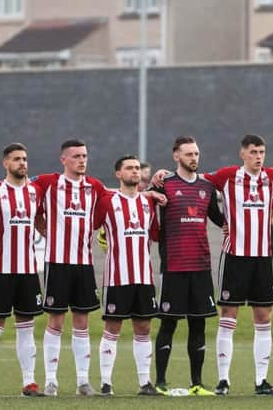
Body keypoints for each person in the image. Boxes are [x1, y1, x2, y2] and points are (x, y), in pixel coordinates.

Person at [202, 135, 273, 396]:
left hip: (261, 259)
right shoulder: (226, 176)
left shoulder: (272, 176)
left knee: (264, 317)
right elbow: (195, 181)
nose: (259, 156)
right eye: (254, 152)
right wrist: (163, 178)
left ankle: (261, 381)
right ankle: (223, 380)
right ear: (242, 154)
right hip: (234, 257)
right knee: (228, 317)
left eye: (262, 152)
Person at [30, 139, 108, 396]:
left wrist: (150, 189)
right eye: (76, 156)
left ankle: (83, 382)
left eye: (84, 155)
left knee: (82, 321)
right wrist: (43, 227)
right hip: (57, 262)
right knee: (55, 320)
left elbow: (121, 196)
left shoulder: (94, 186)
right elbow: (18, 189)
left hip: (84, 264)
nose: (82, 160)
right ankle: (51, 381)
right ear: (63, 159)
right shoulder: (47, 183)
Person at [153, 137, 224, 396]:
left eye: (196, 153)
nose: (194, 158)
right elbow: (144, 203)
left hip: (201, 266)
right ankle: (160, 382)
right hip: (174, 266)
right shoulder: (164, 184)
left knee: (198, 324)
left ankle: (197, 383)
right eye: (188, 154)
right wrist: (152, 181)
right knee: (169, 324)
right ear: (176, 156)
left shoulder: (207, 186)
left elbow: (220, 220)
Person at [0, 143, 44, 397]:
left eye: (25, 159)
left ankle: (30, 383)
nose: (22, 163)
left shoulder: (36, 191)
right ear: (6, 163)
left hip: (28, 271)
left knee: (27, 325)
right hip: (0, 270)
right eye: (17, 159)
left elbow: (41, 220)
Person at [93, 155, 159, 396]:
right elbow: (91, 226)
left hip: (144, 276)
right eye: (129, 168)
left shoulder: (148, 203)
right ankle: (106, 383)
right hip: (117, 277)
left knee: (143, 327)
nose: (135, 172)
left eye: (137, 168)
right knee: (113, 327)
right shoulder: (107, 202)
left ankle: (145, 383)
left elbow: (154, 235)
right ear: (118, 174)